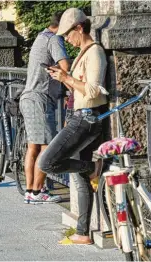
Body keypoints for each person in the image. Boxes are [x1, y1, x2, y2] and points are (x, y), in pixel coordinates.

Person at [39, 8, 109, 245]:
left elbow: (93, 91)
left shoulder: (94, 52)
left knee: (47, 162)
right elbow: (80, 91)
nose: (66, 39)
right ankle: (83, 232)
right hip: (80, 115)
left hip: (87, 118)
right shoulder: (82, 53)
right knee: (79, 178)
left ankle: (90, 167)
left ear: (79, 27)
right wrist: (64, 78)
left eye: (68, 34)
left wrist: (67, 79)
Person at [20, 11, 70, 204]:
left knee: (33, 146)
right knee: (47, 147)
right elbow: (64, 66)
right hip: (40, 98)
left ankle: (30, 190)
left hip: (29, 96)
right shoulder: (54, 39)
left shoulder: (41, 36)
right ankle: (37, 191)